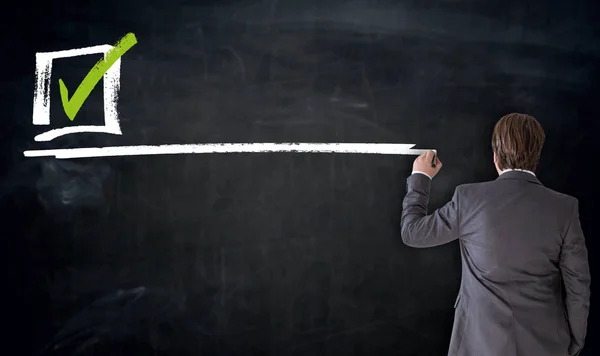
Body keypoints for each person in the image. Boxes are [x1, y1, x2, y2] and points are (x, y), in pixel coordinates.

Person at [400, 113, 590, 356]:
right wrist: (573, 340)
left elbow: (412, 232)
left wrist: (421, 177)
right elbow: (578, 285)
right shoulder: (565, 208)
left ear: (496, 156)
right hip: (547, 345)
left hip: (479, 345)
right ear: (537, 156)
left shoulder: (469, 199)